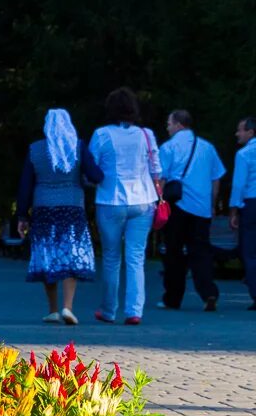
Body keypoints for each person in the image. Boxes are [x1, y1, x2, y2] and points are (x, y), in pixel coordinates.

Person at [17, 109, 103, 325]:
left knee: (48, 256)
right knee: (70, 255)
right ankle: (68, 307)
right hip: (72, 208)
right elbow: (96, 175)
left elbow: (25, 185)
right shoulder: (78, 147)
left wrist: (21, 215)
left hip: (43, 209)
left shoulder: (35, 149)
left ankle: (53, 309)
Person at [89, 88, 162, 325]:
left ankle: (109, 310)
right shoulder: (146, 135)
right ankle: (134, 311)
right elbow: (157, 170)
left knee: (111, 257)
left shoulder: (101, 134)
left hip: (110, 200)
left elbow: (92, 168)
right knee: (135, 257)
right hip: (143, 200)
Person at [157, 110, 225, 312]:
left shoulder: (169, 147)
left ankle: (173, 298)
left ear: (178, 124)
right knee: (201, 252)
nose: (167, 127)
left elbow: (161, 178)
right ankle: (209, 292)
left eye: (169, 123)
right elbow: (216, 178)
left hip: (177, 206)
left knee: (174, 253)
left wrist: (158, 202)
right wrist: (212, 204)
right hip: (201, 209)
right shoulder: (207, 147)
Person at [229, 116, 256, 310]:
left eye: (240, 130)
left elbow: (238, 184)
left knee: (250, 251)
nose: (237, 134)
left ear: (250, 132)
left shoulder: (244, 154)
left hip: (251, 203)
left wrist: (234, 211)